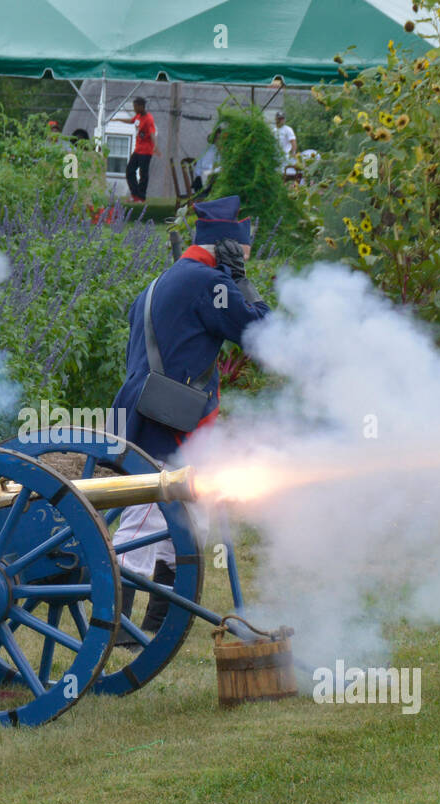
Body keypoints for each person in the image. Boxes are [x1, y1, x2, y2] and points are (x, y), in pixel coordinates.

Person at [108, 195, 270, 643]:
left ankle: (157, 623)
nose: (246, 260)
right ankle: (117, 627)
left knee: (186, 519)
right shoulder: (207, 283)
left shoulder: (166, 281)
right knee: (146, 516)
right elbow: (260, 333)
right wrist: (242, 284)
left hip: (159, 409)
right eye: (243, 252)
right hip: (164, 419)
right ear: (228, 249)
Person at [127, 97, 155, 203]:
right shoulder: (138, 116)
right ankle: (134, 194)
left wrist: (155, 146)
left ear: (141, 106)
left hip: (146, 151)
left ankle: (141, 197)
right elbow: (131, 121)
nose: (134, 109)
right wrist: (116, 119)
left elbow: (152, 133)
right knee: (130, 170)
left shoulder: (149, 119)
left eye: (135, 107)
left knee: (143, 174)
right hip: (138, 150)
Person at [273, 111, 297, 182]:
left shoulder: (288, 129)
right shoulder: (273, 130)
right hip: (275, 157)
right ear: (276, 119)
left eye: (282, 118)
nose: (281, 120)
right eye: (279, 118)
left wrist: (293, 154)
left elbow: (293, 142)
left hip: (285, 157)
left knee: (284, 176)